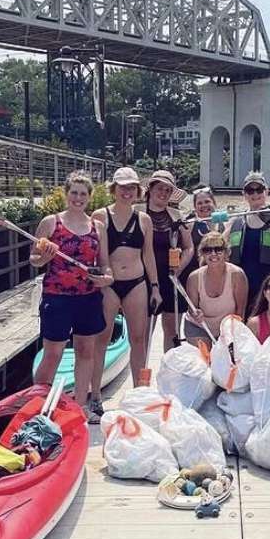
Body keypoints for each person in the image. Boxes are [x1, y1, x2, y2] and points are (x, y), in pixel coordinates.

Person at [31, 171, 113, 418]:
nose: (78, 198)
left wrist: (106, 279)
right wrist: (44, 257)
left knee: (85, 351)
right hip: (57, 298)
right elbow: (34, 260)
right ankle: (36, 406)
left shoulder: (98, 227)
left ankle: (80, 406)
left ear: (90, 197)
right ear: (66, 194)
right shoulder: (50, 223)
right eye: (74, 193)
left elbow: (106, 265)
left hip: (88, 298)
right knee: (53, 352)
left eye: (83, 194)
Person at [89, 167, 162, 419]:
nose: (127, 192)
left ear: (137, 191)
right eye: (122, 187)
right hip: (109, 284)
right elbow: (100, 254)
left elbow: (148, 255)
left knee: (139, 340)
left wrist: (155, 286)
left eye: (131, 187)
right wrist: (103, 276)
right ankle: (95, 396)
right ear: (114, 189)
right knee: (101, 339)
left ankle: (138, 394)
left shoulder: (144, 220)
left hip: (137, 283)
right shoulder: (100, 216)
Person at [225, 171, 270, 314]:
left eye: (259, 190)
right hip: (244, 285)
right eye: (250, 190)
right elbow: (218, 246)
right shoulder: (236, 219)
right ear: (244, 194)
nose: (255, 194)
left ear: (266, 191)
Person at [144, 170, 194, 351]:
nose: (163, 193)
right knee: (143, 333)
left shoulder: (177, 216)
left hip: (172, 277)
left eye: (168, 189)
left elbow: (189, 247)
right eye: (159, 188)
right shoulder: (138, 213)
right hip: (145, 279)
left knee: (172, 332)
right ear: (150, 189)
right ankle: (141, 376)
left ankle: (169, 373)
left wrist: (179, 269)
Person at [183, 232, 248, 345]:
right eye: (207, 250)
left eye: (218, 249)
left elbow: (240, 311)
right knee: (204, 360)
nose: (213, 254)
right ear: (202, 254)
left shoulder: (237, 275)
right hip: (199, 326)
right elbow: (192, 309)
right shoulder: (194, 277)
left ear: (226, 253)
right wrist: (196, 313)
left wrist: (231, 335)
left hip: (227, 327)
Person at [179, 186, 217, 285]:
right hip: (192, 276)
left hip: (216, 274)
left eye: (207, 201)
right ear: (195, 208)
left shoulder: (225, 224)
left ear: (214, 203)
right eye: (199, 203)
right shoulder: (189, 225)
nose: (204, 205)